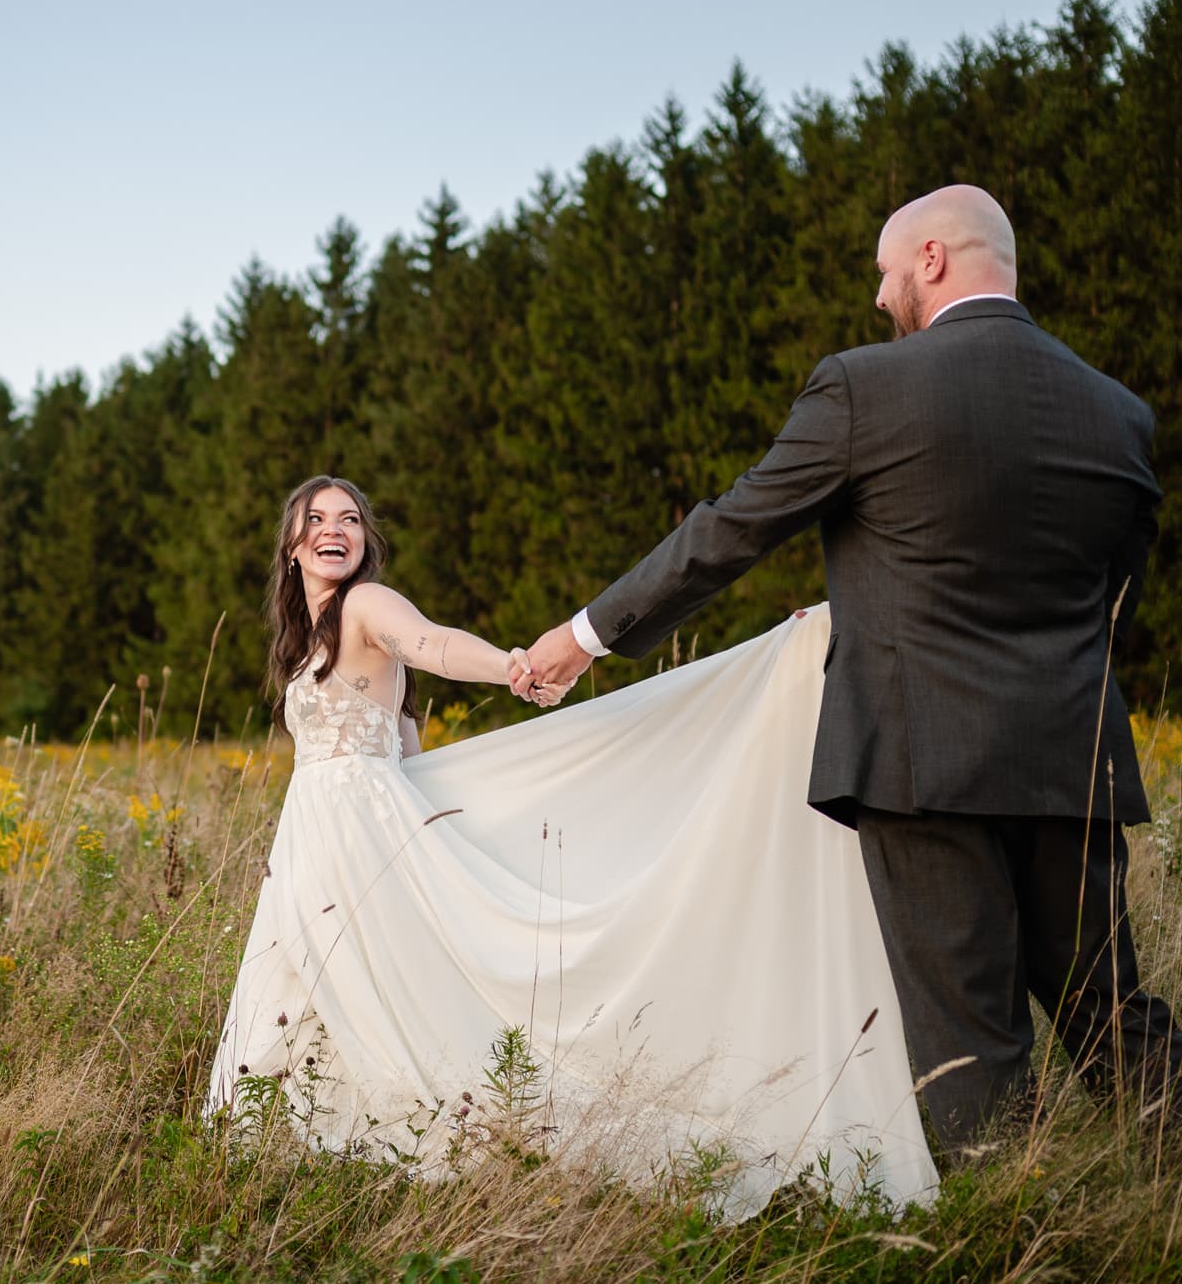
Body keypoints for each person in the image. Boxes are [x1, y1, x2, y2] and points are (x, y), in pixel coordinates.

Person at [516, 184, 1182, 1201]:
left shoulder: (867, 389)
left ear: (936, 260)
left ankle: (1015, 1239)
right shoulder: (1118, 413)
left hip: (925, 759)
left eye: (885, 269)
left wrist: (585, 634)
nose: (878, 296)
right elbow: (1113, 600)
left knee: (973, 1037)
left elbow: (730, 531)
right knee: (1112, 1010)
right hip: (1071, 755)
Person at [204, 475, 938, 1218]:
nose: (336, 528)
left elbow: (431, 644)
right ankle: (310, 1142)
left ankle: (453, 1135)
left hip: (354, 838)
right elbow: (402, 740)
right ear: (292, 546)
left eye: (350, 518)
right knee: (317, 988)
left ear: (365, 541)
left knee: (387, 990)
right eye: (317, 518)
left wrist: (510, 665)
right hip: (313, 840)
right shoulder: (305, 635)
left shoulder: (367, 603)